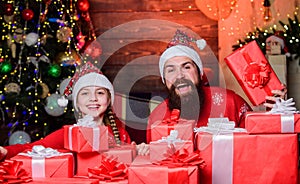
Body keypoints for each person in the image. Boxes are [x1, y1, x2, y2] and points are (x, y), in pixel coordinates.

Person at [146, 30, 287, 143]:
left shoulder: (230, 101)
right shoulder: (157, 117)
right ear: (165, 80)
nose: (180, 76)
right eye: (171, 70)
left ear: (200, 73)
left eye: (186, 67)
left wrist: (275, 111)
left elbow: (258, 141)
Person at [0, 62, 149, 161]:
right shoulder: (67, 135)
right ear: (77, 103)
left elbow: (130, 163)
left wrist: (140, 151)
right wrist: (6, 152)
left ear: (109, 100)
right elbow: (32, 148)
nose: (93, 99)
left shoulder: (120, 133)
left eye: (100, 93)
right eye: (85, 93)